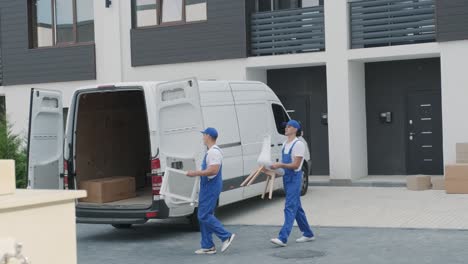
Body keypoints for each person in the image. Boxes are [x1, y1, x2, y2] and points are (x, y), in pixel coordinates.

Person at [187, 127, 236, 255]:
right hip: (208, 187)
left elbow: (213, 170)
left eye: (203, 135)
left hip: (210, 187)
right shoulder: (211, 151)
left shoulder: (213, 152)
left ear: (208, 136)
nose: (202, 137)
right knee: (205, 215)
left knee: (203, 215)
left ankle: (226, 236)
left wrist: (195, 173)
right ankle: (208, 245)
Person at [270, 120, 315, 247]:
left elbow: (295, 165)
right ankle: (308, 233)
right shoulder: (285, 144)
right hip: (287, 178)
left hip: (295, 179)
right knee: (297, 208)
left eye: (289, 126)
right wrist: (274, 169)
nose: (286, 128)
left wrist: (281, 165)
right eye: (286, 126)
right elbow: (284, 166)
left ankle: (282, 237)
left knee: (289, 207)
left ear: (295, 129)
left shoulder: (298, 144)